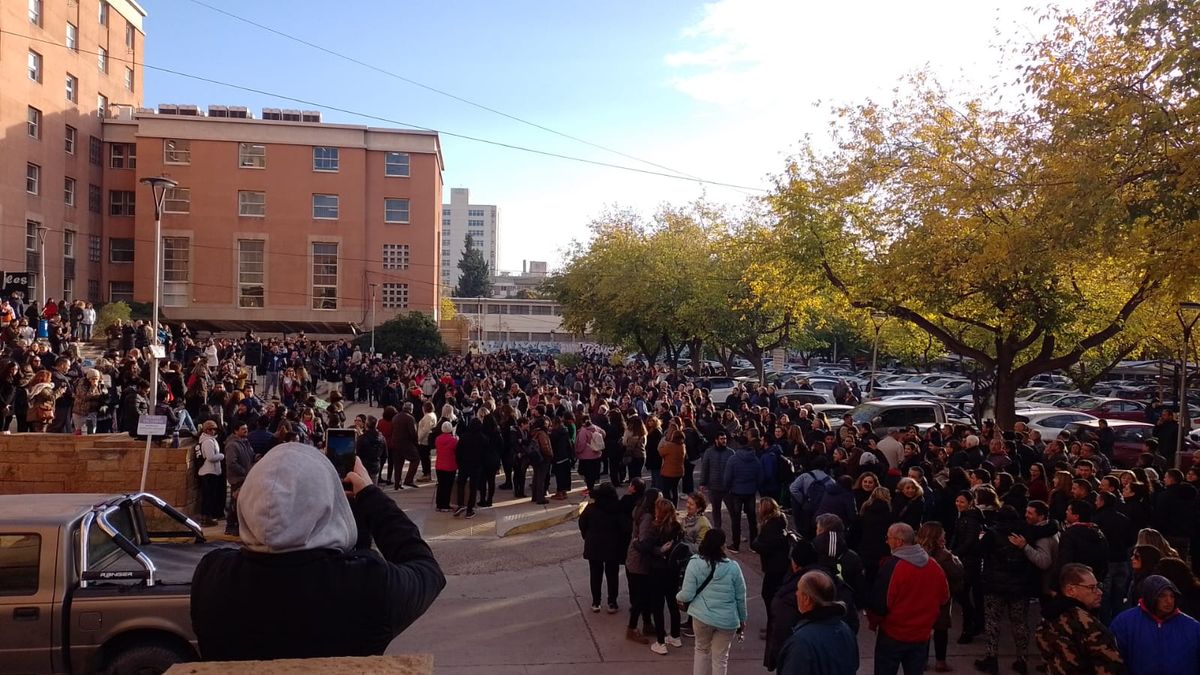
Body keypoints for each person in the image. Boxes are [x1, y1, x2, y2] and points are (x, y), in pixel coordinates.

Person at [190, 443, 446, 660]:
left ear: (247, 500)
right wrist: (370, 495)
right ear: (329, 504)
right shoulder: (366, 583)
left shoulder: (212, 577)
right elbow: (426, 569)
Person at [867, 522, 950, 675]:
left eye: (888, 537)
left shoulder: (892, 566)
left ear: (898, 541)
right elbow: (944, 598)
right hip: (921, 635)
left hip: (893, 634)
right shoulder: (934, 566)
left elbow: (880, 602)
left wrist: (873, 622)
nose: (886, 541)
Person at [676, 528, 748, 675]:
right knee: (721, 659)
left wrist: (678, 597)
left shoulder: (695, 563)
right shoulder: (733, 568)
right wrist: (742, 619)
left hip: (702, 617)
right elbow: (741, 597)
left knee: (701, 650)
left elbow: (687, 594)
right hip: (727, 620)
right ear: (722, 546)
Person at [1036, 563, 1126, 675]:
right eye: (1092, 588)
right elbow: (1113, 667)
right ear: (1071, 590)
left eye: (1098, 586)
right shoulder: (1088, 626)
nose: (1099, 592)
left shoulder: (1046, 619)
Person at [1110, 575, 1200, 675]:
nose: (1169, 601)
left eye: (1172, 596)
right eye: (1162, 595)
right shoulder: (1124, 623)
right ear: (1150, 596)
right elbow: (1113, 660)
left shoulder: (1192, 627)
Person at [776, 571, 859, 675]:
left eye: (799, 590)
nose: (796, 594)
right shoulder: (846, 631)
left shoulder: (801, 642)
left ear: (806, 599)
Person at [916, 522, 964, 673]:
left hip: (920, 597)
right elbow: (958, 573)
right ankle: (940, 662)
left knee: (923, 630)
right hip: (940, 598)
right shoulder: (945, 556)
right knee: (941, 630)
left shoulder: (916, 554)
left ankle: (922, 660)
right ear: (937, 537)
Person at [579, 482, 625, 613]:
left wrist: (587, 536)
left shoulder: (591, 508)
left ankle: (596, 602)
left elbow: (582, 523)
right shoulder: (617, 509)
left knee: (595, 574)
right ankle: (612, 602)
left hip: (594, 546)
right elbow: (623, 527)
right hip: (612, 546)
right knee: (612, 575)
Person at [724, 439, 763, 552]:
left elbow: (727, 477)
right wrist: (755, 488)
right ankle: (753, 544)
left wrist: (728, 488)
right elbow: (760, 477)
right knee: (752, 519)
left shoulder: (733, 459)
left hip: (736, 492)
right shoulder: (755, 460)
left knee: (736, 519)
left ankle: (735, 545)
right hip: (750, 492)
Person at [223, 421, 255, 537]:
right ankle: (230, 526)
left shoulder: (245, 442)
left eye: (246, 428)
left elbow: (250, 455)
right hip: (237, 479)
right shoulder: (232, 445)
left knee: (241, 503)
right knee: (235, 503)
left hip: (246, 477)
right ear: (236, 431)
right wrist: (245, 472)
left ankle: (238, 525)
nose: (246, 431)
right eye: (243, 429)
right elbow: (231, 463)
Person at [195, 420, 225, 527]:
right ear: (207, 430)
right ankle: (207, 518)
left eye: (215, 429)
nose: (214, 431)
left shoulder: (209, 440)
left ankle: (207, 517)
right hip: (209, 472)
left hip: (210, 471)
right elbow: (211, 457)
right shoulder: (208, 442)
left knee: (209, 496)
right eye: (212, 429)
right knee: (208, 497)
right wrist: (221, 456)